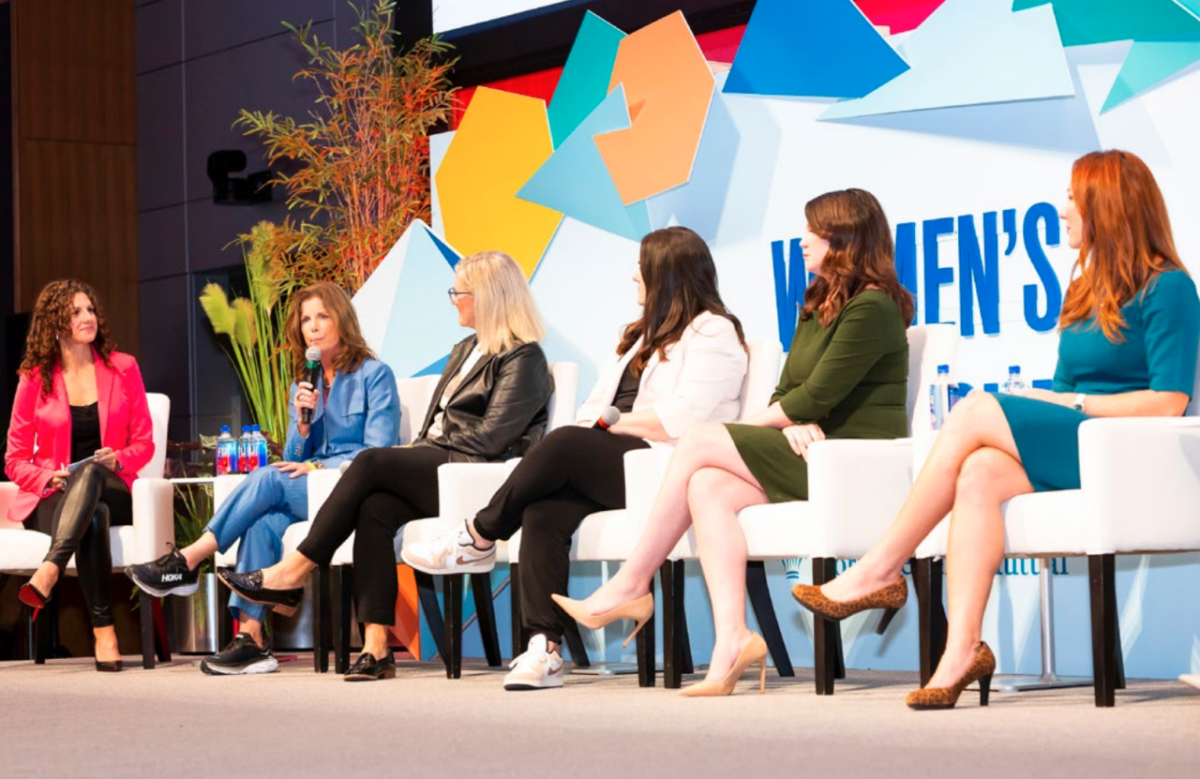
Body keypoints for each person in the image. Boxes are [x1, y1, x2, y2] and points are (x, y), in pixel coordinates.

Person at [792, 150, 1200, 709]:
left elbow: (1170, 402)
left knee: (981, 407)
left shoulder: (1169, 287)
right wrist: (1056, 399)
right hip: (1077, 441)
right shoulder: (1084, 293)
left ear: (1109, 206)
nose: (1063, 209)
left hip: (1128, 451)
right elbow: (1062, 384)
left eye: (1073, 197)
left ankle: (881, 566)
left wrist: (1070, 401)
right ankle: (962, 650)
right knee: (979, 472)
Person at [555, 189, 913, 696]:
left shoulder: (873, 308)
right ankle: (733, 641)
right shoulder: (816, 305)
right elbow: (788, 395)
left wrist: (790, 417)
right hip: (806, 447)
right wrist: (788, 422)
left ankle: (633, 581)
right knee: (706, 486)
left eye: (814, 231)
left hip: (849, 460)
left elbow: (814, 396)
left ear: (845, 239)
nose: (803, 240)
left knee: (700, 442)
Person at [403, 226, 749, 692]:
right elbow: (591, 409)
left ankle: (478, 534)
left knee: (565, 441)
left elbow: (684, 418)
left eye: (642, 268)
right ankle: (543, 648)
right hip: (615, 459)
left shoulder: (715, 330)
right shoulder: (637, 337)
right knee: (542, 511)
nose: (634, 278)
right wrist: (600, 426)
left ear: (667, 274)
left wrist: (608, 426)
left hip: (664, 469)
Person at [220, 250, 554, 681]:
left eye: (460, 292)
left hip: (471, 476)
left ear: (488, 297)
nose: (454, 299)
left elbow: (492, 439)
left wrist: (420, 450)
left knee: (373, 460)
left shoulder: (523, 359)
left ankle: (294, 570)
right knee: (373, 508)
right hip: (436, 465)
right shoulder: (465, 350)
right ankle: (377, 648)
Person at [127, 282, 399, 675]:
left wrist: (316, 468)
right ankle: (251, 638)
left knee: (269, 478)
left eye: (322, 316)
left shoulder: (375, 375)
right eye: (306, 319)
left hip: (350, 487)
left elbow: (379, 452)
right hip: (309, 492)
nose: (314, 327)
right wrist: (304, 429)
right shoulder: (301, 385)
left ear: (342, 319)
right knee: (260, 524)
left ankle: (189, 558)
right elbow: (292, 457)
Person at [5, 280, 156, 672]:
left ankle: (50, 569)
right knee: (94, 516)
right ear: (55, 323)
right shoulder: (34, 378)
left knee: (90, 474)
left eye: (89, 309)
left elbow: (145, 443)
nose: (87, 317)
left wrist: (117, 459)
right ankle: (104, 631)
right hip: (54, 496)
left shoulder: (123, 368)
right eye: (75, 312)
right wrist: (46, 478)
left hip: (115, 484)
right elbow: (14, 459)